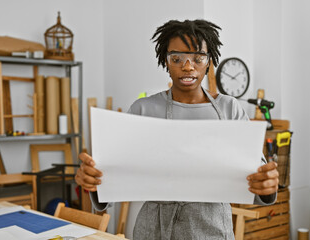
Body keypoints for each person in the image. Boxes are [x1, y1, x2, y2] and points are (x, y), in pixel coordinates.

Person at [75, 19, 279, 239]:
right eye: (177, 58)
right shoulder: (143, 108)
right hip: (153, 229)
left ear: (209, 62)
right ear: (166, 61)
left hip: (211, 229)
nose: (188, 66)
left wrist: (266, 184)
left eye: (198, 58)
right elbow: (115, 177)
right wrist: (95, 182)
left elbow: (256, 175)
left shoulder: (229, 109)